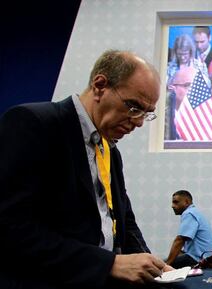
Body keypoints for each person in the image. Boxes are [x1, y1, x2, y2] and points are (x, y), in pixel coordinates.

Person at [0, 49, 173, 289]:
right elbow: (11, 226)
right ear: (100, 85)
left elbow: (123, 220)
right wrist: (109, 264)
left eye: (147, 113)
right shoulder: (33, 124)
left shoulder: (110, 151)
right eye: (134, 107)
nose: (139, 122)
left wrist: (156, 268)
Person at [166, 190, 212, 268]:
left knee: (157, 267)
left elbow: (179, 240)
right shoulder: (195, 213)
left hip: (200, 260)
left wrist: (166, 265)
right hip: (208, 258)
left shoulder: (189, 213)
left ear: (186, 202)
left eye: (176, 202)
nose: (172, 206)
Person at [164, 66, 197, 140]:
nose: (195, 90)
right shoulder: (161, 116)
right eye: (188, 85)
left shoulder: (205, 116)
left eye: (197, 86)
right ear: (172, 88)